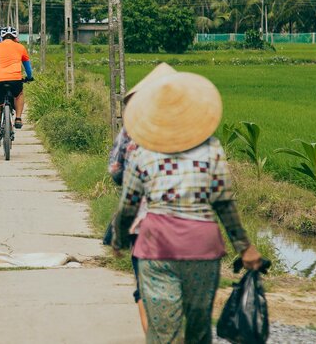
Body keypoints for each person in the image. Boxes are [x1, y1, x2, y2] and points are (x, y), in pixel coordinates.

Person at [110, 67, 262, 344]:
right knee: (198, 329)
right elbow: (224, 203)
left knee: (162, 331)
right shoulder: (211, 149)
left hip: (156, 247)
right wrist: (245, 247)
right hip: (201, 247)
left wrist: (119, 238)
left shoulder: (141, 151)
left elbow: (129, 204)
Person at [106, 62, 177, 335]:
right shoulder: (197, 133)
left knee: (146, 291)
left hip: (145, 223)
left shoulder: (133, 132)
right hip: (192, 226)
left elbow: (115, 172)